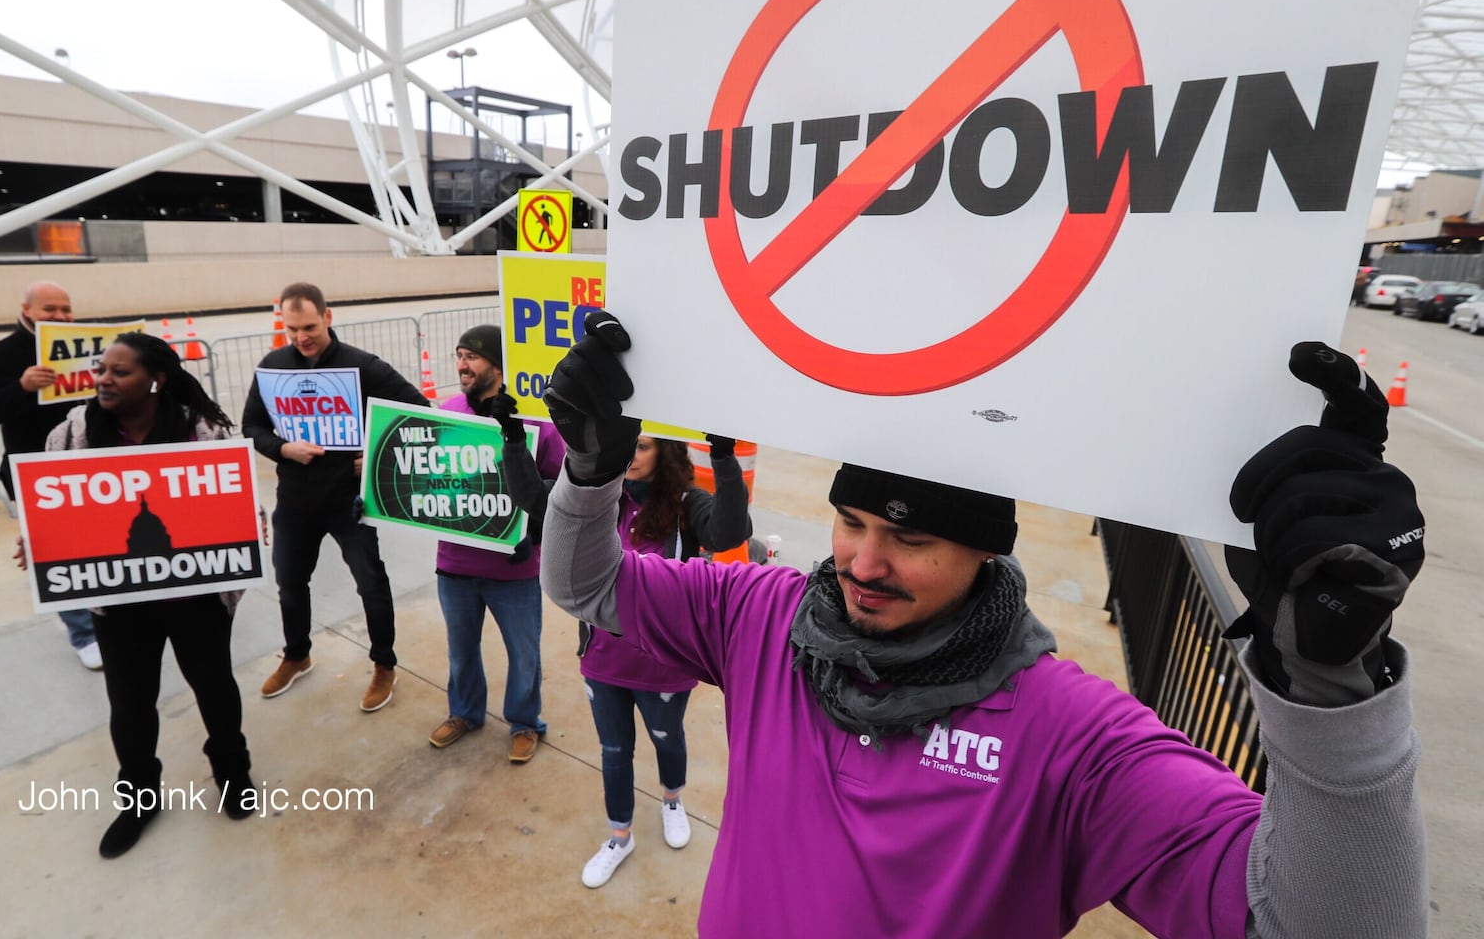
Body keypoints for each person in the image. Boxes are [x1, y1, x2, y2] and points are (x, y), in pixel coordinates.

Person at [537, 311, 1427, 937]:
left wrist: (1333, 686)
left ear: (982, 558)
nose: (861, 562)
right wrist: (588, 476)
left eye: (910, 538)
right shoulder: (763, 616)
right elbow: (589, 589)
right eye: (852, 523)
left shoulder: (1072, 738)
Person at [29, 332, 254, 858]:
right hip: (121, 605)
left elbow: (238, 499)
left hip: (196, 598)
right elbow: (56, 513)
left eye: (119, 371)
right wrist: (38, 542)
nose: (103, 378)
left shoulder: (203, 430)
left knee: (215, 689)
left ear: (155, 380)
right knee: (129, 706)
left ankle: (233, 773)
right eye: (101, 368)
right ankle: (138, 798)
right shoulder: (71, 435)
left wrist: (250, 526)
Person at [572, 434, 751, 888]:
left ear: (666, 452)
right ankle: (619, 836)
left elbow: (729, 532)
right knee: (614, 751)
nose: (631, 455)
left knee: (667, 739)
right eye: (628, 444)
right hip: (602, 659)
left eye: (644, 446)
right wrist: (515, 440)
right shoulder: (602, 499)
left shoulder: (687, 504)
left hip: (663, 665)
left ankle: (672, 799)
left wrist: (724, 459)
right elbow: (543, 509)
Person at [241, 282, 429, 709]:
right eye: (292, 330)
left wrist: (379, 452)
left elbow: (418, 412)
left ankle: (384, 665)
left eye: (308, 326)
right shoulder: (273, 368)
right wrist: (283, 448)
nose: (301, 338)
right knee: (290, 584)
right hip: (295, 502)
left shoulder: (362, 367)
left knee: (371, 585)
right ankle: (297, 655)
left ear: (328, 316)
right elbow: (251, 426)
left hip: (351, 503)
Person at [428, 324, 564, 763]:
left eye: (472, 356)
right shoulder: (447, 411)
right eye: (459, 355)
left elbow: (559, 486)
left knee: (524, 655)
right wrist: (373, 496)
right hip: (454, 564)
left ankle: (525, 722)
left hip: (514, 569)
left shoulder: (535, 419)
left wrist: (535, 533)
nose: (462, 365)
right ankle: (464, 712)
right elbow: (421, 474)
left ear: (499, 366)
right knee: (460, 651)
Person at [0, 279, 102, 670]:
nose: (60, 316)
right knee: (55, 553)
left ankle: (108, 614)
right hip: (35, 471)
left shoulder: (88, 346)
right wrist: (22, 387)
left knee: (102, 545)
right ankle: (82, 632)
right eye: (50, 309)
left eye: (65, 308)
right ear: (27, 309)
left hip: (90, 466)